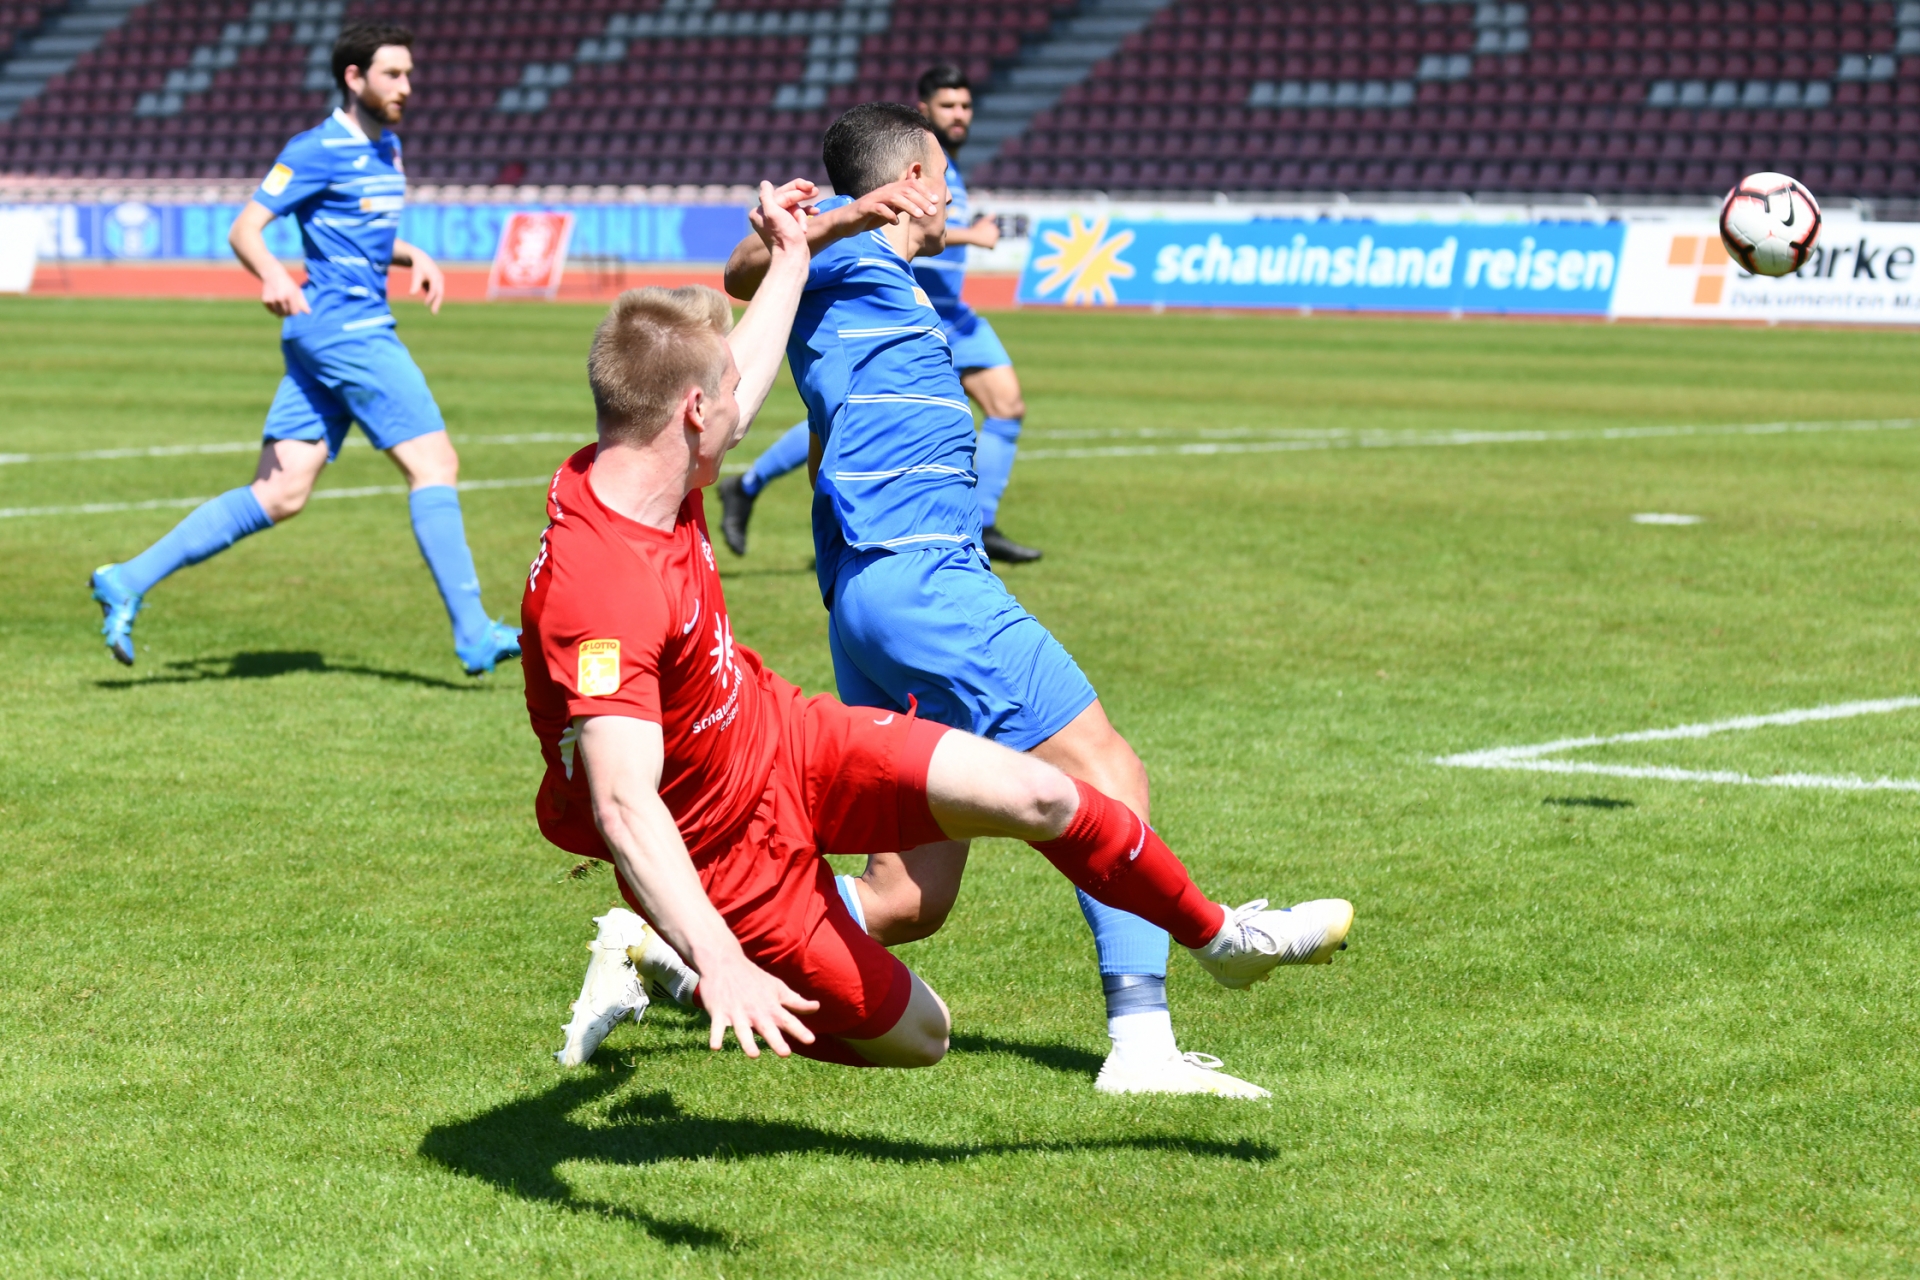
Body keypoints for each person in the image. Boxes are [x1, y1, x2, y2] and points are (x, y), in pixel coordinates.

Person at [528, 180, 1355, 1073]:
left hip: (787, 739)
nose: (747, 409)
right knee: (924, 1036)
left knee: (1044, 796)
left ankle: (1220, 940)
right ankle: (683, 958)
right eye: (728, 397)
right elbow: (622, 801)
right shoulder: (602, 587)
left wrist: (796, 251)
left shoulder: (651, 460)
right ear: (695, 414)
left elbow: (744, 366)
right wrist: (720, 960)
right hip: (726, 850)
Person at [679, 103, 1273, 1097]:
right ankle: (1143, 1044)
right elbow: (745, 270)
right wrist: (846, 216)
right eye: (944, 175)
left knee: (907, 897)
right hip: (925, 582)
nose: (953, 194)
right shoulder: (847, 258)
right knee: (1109, 773)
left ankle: (674, 942)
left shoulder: (887, 280)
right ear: (913, 178)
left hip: (876, 597)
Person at [87, 22, 521, 676]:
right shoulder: (316, 149)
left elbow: (364, 237)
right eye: (393, 74)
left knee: (280, 492)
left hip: (329, 334)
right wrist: (273, 275)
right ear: (354, 77)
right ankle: (474, 633)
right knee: (436, 464)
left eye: (409, 73)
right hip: (349, 332)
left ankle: (126, 579)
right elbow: (246, 229)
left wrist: (413, 256)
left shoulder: (388, 147)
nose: (407, 86)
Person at [713, 64, 1041, 565]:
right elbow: (742, 271)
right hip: (902, 318)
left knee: (998, 407)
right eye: (949, 105)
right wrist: (845, 219)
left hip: (938, 314)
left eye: (966, 105)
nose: (960, 114)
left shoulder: (944, 177)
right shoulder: (857, 224)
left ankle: (980, 524)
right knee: (851, 409)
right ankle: (755, 486)